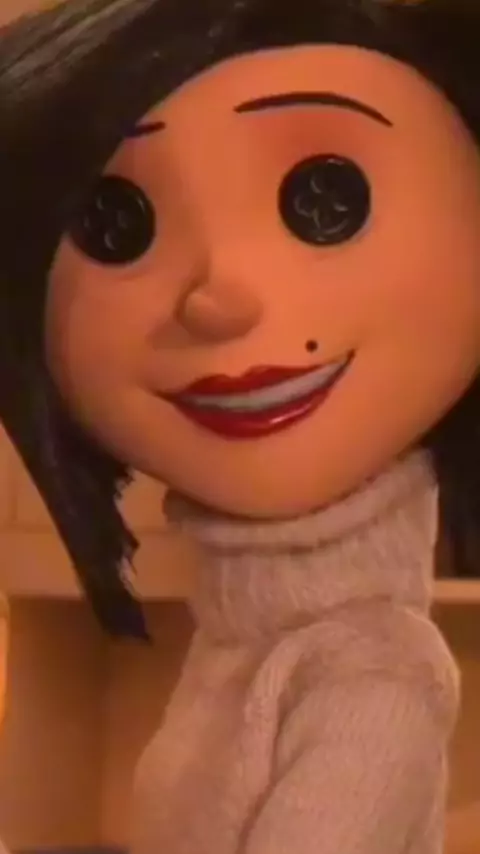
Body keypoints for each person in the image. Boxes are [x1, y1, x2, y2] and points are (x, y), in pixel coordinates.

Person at [1, 0, 480, 850]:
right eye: (117, 225)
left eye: (325, 199)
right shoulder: (246, 640)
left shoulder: (371, 673)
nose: (218, 298)